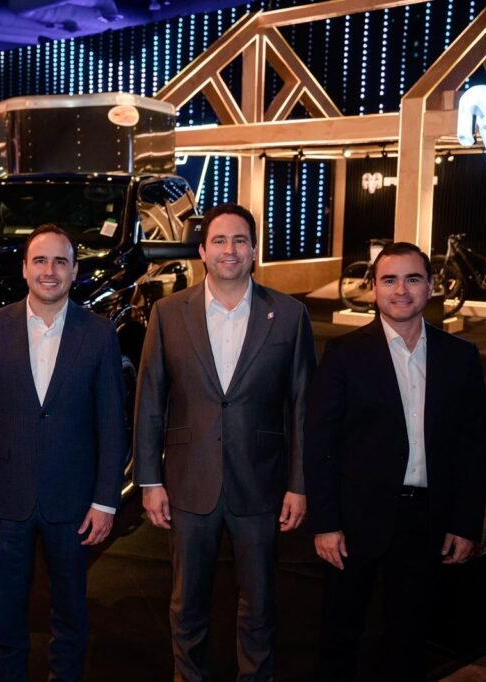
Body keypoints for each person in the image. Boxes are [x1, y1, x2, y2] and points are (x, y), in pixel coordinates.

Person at [133, 202, 316, 680]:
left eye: (239, 240)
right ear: (202, 251)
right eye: (219, 240)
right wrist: (150, 481)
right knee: (186, 604)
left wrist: (298, 484)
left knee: (260, 604)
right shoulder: (168, 313)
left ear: (254, 250)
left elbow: (302, 407)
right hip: (188, 482)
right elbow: (150, 401)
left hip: (261, 483)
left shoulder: (290, 315)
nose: (229, 249)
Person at [305, 241, 486, 680]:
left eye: (412, 279)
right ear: (373, 288)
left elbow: (473, 446)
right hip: (354, 522)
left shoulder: (460, 357)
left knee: (409, 639)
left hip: (426, 521)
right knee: (340, 636)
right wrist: (326, 523)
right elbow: (320, 443)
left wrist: (465, 523)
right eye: (389, 280)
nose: (401, 290)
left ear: (432, 286)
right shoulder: (344, 354)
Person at [0, 224, 128, 681]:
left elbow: (112, 425)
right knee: (7, 615)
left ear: (74, 271)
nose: (49, 271)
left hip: (73, 501)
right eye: (39, 260)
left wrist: (105, 501)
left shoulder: (99, 334)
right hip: (6, 498)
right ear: (24, 269)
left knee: (70, 614)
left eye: (59, 262)